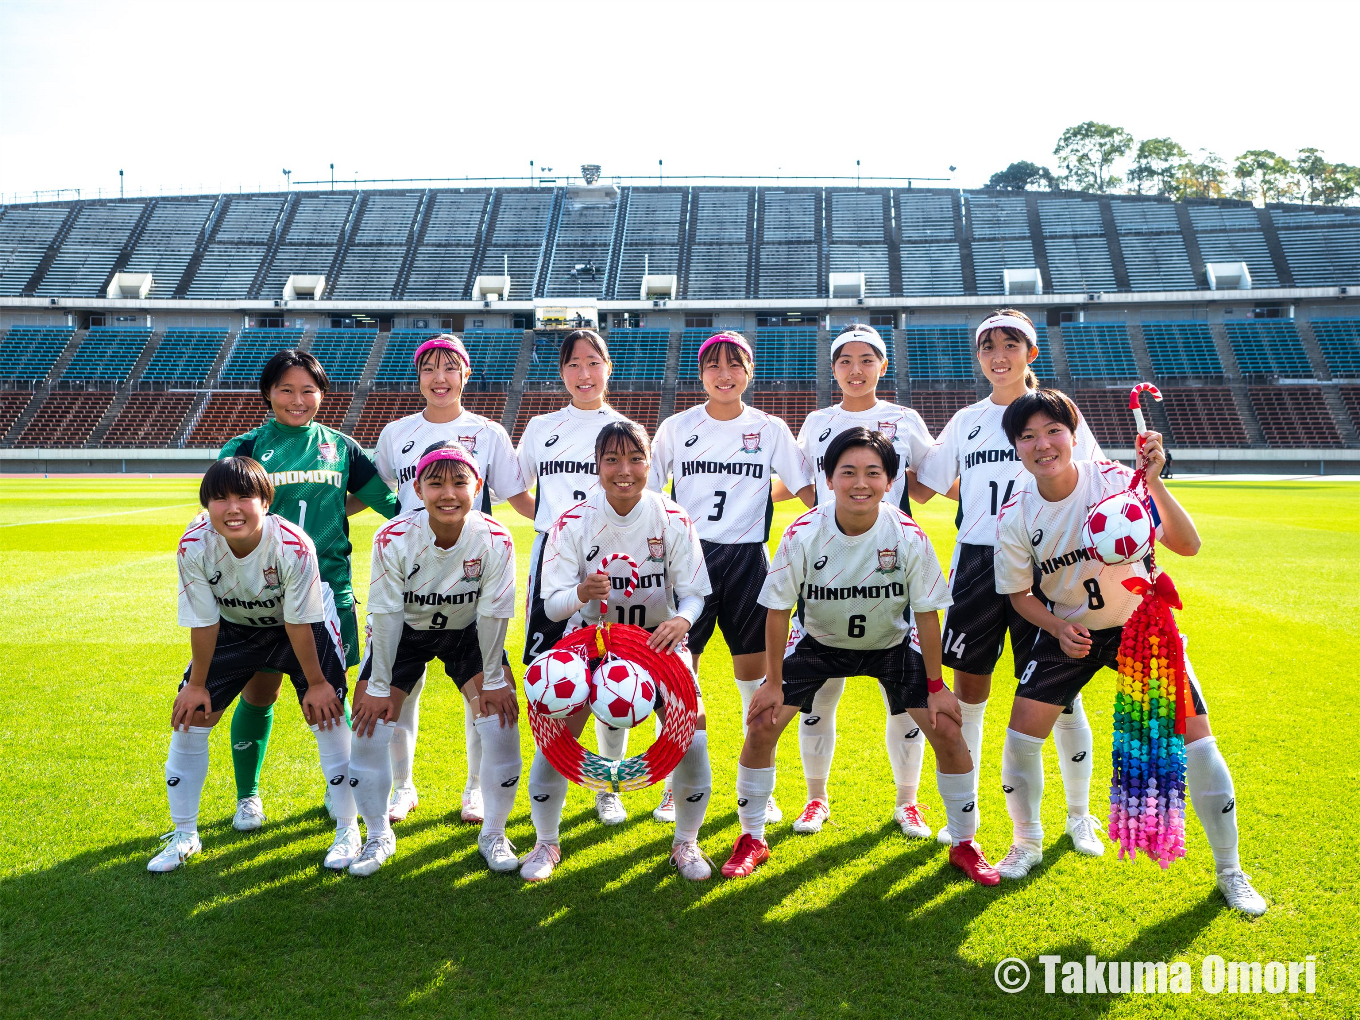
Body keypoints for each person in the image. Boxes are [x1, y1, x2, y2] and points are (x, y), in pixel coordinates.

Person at [991, 389, 1266, 915]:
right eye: (1027, 437)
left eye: (1053, 431)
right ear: (1017, 449)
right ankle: (1025, 844)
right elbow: (1019, 595)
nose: (1042, 444)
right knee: (1022, 735)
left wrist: (1156, 482)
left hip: (1139, 628)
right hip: (1071, 632)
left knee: (1197, 741)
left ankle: (1231, 871)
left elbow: (1187, 545)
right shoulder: (1016, 514)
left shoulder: (1119, 481)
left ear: (1073, 435)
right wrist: (1054, 626)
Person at [720, 428, 999, 885]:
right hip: (818, 642)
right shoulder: (805, 531)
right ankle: (751, 837)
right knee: (763, 724)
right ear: (828, 478)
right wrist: (772, 683)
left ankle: (966, 843)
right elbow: (776, 611)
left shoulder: (907, 534)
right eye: (847, 471)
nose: (860, 483)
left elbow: (928, 615)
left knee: (948, 727)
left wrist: (936, 687)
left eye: (873, 472)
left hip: (891, 644)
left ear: (891, 481)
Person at [914, 310, 1104, 853]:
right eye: (988, 346)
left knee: (1062, 694)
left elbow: (1090, 484)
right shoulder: (967, 419)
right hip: (978, 562)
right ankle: (963, 815)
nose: (999, 355)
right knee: (969, 691)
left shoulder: (1060, 413)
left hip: (1049, 561)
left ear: (1031, 353)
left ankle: (1078, 815)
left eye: (1011, 344)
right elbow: (926, 487)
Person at [523, 421, 715, 882]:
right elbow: (551, 604)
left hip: (657, 642)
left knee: (694, 736)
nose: (624, 470)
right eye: (612, 460)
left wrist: (682, 619)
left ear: (650, 464)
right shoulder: (571, 521)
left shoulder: (671, 517)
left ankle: (686, 843)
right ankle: (545, 844)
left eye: (634, 459)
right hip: (590, 641)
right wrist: (582, 593)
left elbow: (693, 593)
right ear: (598, 465)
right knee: (555, 738)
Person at [217, 348, 400, 833]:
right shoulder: (245, 447)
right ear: (268, 393)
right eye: (286, 390)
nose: (298, 400)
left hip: (328, 592)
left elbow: (389, 504)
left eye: (308, 390)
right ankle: (248, 797)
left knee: (330, 698)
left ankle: (338, 789)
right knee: (260, 693)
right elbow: (223, 513)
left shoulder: (342, 447)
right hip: (260, 595)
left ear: (322, 393)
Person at [150, 457, 360, 873]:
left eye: (244, 496)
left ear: (266, 501)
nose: (232, 508)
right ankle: (185, 833)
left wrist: (316, 683)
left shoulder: (293, 545)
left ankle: (348, 828)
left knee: (327, 714)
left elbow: (299, 621)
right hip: (234, 626)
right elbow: (204, 620)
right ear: (205, 505)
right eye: (219, 498)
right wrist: (196, 683)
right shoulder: (194, 544)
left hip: (299, 626)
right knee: (192, 715)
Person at [647, 331, 814, 825]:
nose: (725, 374)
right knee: (680, 677)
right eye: (714, 365)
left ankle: (762, 785)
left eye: (735, 364)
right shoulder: (677, 428)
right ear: (700, 374)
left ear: (749, 371)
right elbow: (649, 494)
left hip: (747, 563)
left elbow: (806, 489)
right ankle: (677, 785)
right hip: (688, 564)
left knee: (756, 684)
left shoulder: (769, 428)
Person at [783, 324, 937, 838]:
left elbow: (931, 482)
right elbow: (802, 481)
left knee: (906, 696)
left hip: (893, 572)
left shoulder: (904, 419)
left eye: (867, 359)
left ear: (883, 366)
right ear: (833, 369)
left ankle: (908, 802)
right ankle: (815, 797)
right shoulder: (817, 422)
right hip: (828, 574)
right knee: (819, 695)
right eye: (845, 360)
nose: (856, 368)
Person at [373, 335, 533, 828]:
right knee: (404, 689)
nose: (439, 378)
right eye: (429, 369)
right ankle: (403, 788)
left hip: (471, 575)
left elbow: (517, 498)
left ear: (465, 374)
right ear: (418, 376)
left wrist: (579, 521)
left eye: (450, 368)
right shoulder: (396, 433)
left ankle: (475, 790)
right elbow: (381, 495)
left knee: (482, 690)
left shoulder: (487, 432)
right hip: (411, 575)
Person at [347, 442, 520, 876]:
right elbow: (385, 613)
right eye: (435, 482)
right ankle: (376, 836)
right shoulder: (394, 536)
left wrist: (495, 678)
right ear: (417, 489)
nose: (448, 493)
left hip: (466, 633)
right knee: (368, 726)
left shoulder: (495, 537)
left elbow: (494, 612)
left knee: (501, 721)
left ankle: (494, 833)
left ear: (478, 487)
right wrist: (380, 684)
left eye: (460, 482)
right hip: (403, 633)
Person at [516, 328, 637, 826]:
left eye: (593, 362)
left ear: (608, 367)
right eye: (573, 364)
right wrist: (555, 528)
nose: (584, 374)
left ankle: (608, 783)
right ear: (561, 371)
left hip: (613, 555)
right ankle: (552, 780)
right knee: (553, 674)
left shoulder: (625, 427)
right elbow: (518, 492)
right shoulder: (542, 426)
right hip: (554, 556)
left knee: (613, 674)